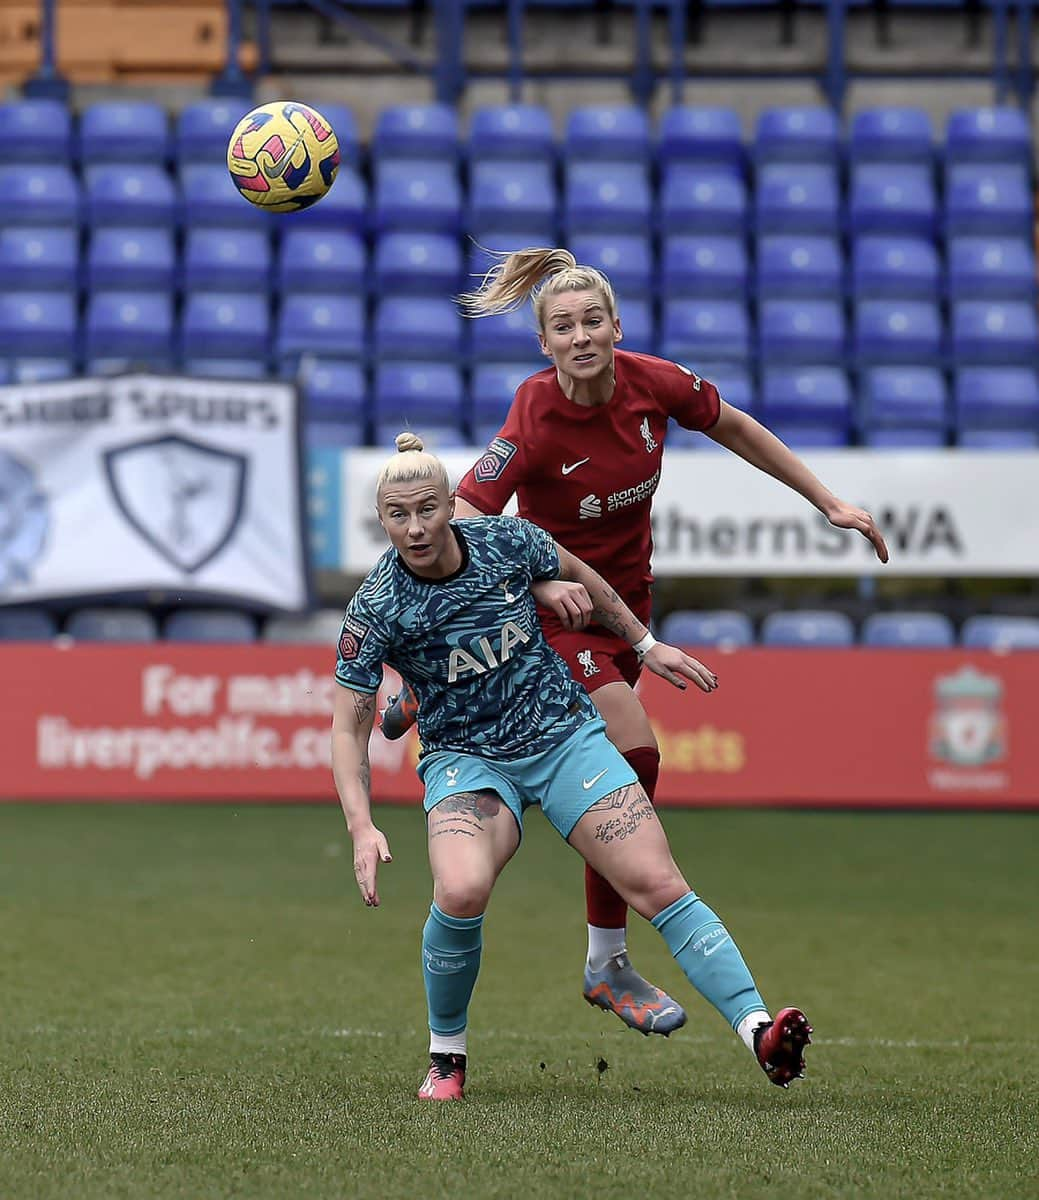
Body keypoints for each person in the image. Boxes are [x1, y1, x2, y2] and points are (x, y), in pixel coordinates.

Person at [381, 246, 890, 1037]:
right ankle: (608, 962)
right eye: (562, 326)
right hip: (548, 614)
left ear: (616, 327)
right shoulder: (534, 411)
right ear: (544, 344)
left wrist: (826, 501)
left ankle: (604, 959)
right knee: (630, 743)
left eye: (592, 320)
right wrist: (539, 579)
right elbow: (470, 516)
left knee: (638, 763)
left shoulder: (654, 384)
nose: (580, 335)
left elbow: (737, 427)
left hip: (624, 608)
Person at [332, 432, 812, 1101]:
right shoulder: (376, 606)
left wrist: (643, 646)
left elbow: (578, 570)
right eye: (397, 515)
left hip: (561, 736)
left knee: (655, 881)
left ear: (450, 506)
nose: (414, 528)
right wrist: (360, 825)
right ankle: (447, 1056)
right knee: (461, 889)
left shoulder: (505, 541)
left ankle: (758, 1029)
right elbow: (347, 725)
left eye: (427, 510)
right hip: (467, 761)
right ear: (381, 519)